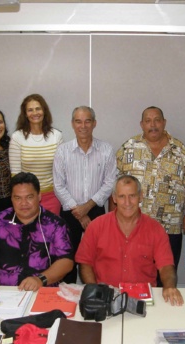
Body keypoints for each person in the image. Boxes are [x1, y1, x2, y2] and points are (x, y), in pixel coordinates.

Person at [116, 106, 185, 271]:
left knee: (166, 272)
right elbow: (116, 184)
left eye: (157, 120)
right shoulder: (129, 147)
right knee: (136, 271)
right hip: (135, 224)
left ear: (164, 123)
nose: (152, 125)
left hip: (170, 225)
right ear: (141, 124)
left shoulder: (180, 150)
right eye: (148, 121)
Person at [76, 175, 183, 306]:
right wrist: (94, 292)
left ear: (140, 196)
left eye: (132, 196)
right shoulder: (96, 226)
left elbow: (166, 266)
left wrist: (169, 286)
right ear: (114, 198)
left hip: (144, 299)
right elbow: (85, 263)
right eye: (121, 196)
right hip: (105, 297)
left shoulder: (155, 229)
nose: (127, 202)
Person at [0, 172, 73, 296]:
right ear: (11, 198)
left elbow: (66, 261)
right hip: (0, 293)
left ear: (39, 196)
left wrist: (40, 279)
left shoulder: (55, 224)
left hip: (42, 291)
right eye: (18, 198)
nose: (23, 203)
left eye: (29, 197)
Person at [53, 106, 117, 283]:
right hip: (69, 211)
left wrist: (87, 207)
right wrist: (79, 212)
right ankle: (68, 295)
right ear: (72, 124)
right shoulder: (63, 151)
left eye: (87, 121)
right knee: (68, 258)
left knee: (97, 257)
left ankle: (98, 293)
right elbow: (58, 185)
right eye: (78, 121)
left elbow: (110, 182)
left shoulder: (106, 150)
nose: (83, 125)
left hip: (96, 211)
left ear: (94, 123)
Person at [10, 94, 63, 215]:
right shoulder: (17, 137)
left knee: (50, 233)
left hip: (51, 196)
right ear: (25, 114)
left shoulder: (56, 136)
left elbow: (60, 171)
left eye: (38, 108)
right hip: (26, 198)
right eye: (30, 110)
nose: (35, 113)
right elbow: (16, 175)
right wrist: (24, 197)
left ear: (44, 110)